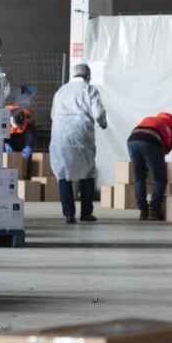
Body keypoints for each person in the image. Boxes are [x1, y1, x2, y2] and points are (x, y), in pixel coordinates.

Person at [50, 63, 107, 224]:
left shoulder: (60, 91)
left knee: (63, 175)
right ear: (88, 75)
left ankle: (69, 214)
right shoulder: (89, 89)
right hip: (81, 136)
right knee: (87, 173)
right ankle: (86, 213)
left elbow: (53, 115)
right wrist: (103, 123)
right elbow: (98, 113)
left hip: (60, 137)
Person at [127, 112, 172, 220]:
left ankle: (143, 211)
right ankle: (154, 210)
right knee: (160, 178)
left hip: (132, 140)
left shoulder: (149, 119)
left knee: (139, 177)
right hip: (152, 140)